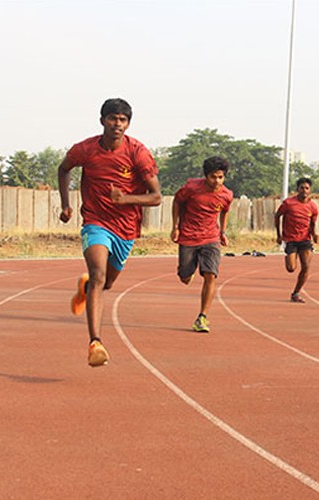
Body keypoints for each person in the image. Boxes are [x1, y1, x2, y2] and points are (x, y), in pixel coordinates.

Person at [58, 98, 162, 367]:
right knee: (98, 274)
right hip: (95, 221)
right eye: (112, 118)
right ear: (102, 120)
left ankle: (86, 288)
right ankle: (96, 342)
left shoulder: (138, 153)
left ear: (128, 124)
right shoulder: (85, 149)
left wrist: (125, 199)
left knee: (107, 284)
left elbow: (156, 197)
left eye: (123, 120)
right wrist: (66, 205)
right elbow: (63, 168)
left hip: (126, 228)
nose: (117, 124)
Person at [171, 157, 234, 333]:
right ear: (206, 176)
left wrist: (223, 232)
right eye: (213, 177)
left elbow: (225, 211)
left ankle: (202, 317)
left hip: (211, 238)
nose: (217, 181)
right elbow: (177, 202)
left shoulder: (227, 194)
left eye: (221, 177)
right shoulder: (191, 188)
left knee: (210, 275)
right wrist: (175, 227)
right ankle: (187, 272)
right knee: (184, 276)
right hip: (189, 236)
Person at [275, 178, 319, 303]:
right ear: (297, 189)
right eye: (302, 188)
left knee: (306, 267)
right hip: (291, 239)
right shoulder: (288, 203)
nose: (304, 190)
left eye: (307, 188)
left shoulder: (313, 207)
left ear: (310, 190)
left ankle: (296, 293)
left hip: (305, 239)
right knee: (291, 268)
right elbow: (277, 216)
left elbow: (312, 223)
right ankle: (289, 256)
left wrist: (314, 234)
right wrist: (279, 235)